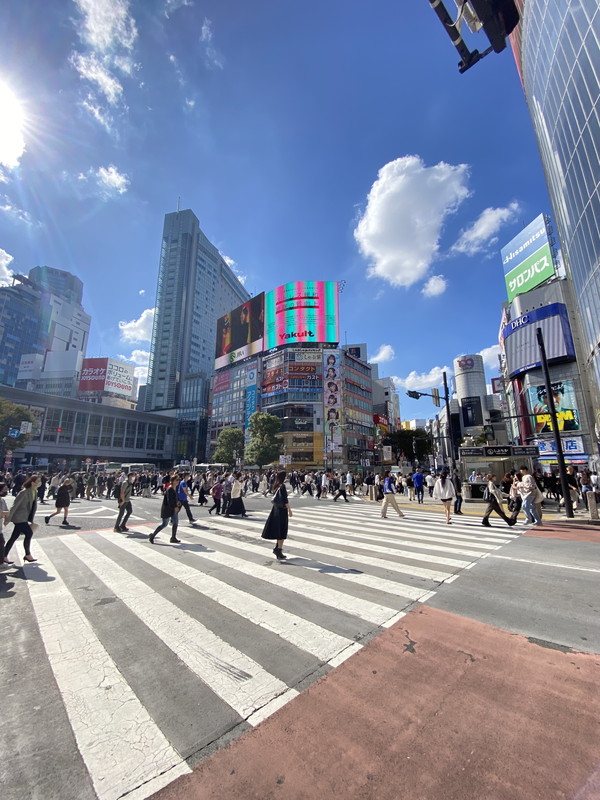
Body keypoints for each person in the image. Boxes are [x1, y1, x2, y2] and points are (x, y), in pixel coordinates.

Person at [5, 474, 41, 563]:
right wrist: (8, 519)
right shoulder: (24, 492)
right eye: (38, 482)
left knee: (14, 537)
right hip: (19, 517)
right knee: (28, 533)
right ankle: (28, 555)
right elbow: (14, 506)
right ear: (32, 482)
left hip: (25, 518)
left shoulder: (34, 491)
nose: (39, 483)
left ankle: (3, 555)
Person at [261, 470, 292, 560]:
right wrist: (289, 510)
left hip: (275, 509)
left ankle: (277, 548)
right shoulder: (282, 486)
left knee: (278, 529)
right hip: (282, 510)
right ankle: (279, 549)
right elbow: (285, 499)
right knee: (282, 530)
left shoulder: (275, 485)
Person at [149, 475, 181, 544]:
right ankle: (153, 535)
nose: (178, 481)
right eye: (176, 480)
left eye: (178, 480)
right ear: (172, 481)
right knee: (164, 524)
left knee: (175, 522)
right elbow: (169, 501)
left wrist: (178, 503)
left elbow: (175, 499)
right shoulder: (170, 489)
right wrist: (175, 507)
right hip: (167, 509)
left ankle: (173, 537)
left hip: (173, 509)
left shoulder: (175, 488)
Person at [0, 482, 11, 565]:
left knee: (1, 543)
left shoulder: (2, 500)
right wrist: (5, 513)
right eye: (4, 489)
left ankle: (2, 561)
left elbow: (6, 511)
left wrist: (6, 518)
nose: (6, 491)